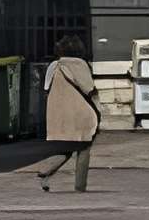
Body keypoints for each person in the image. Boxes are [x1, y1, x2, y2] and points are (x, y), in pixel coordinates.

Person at [34, 36, 100, 192]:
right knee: (84, 148)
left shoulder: (53, 65)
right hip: (80, 113)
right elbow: (89, 88)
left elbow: (46, 89)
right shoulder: (80, 64)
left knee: (66, 148)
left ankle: (46, 170)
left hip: (59, 115)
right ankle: (80, 186)